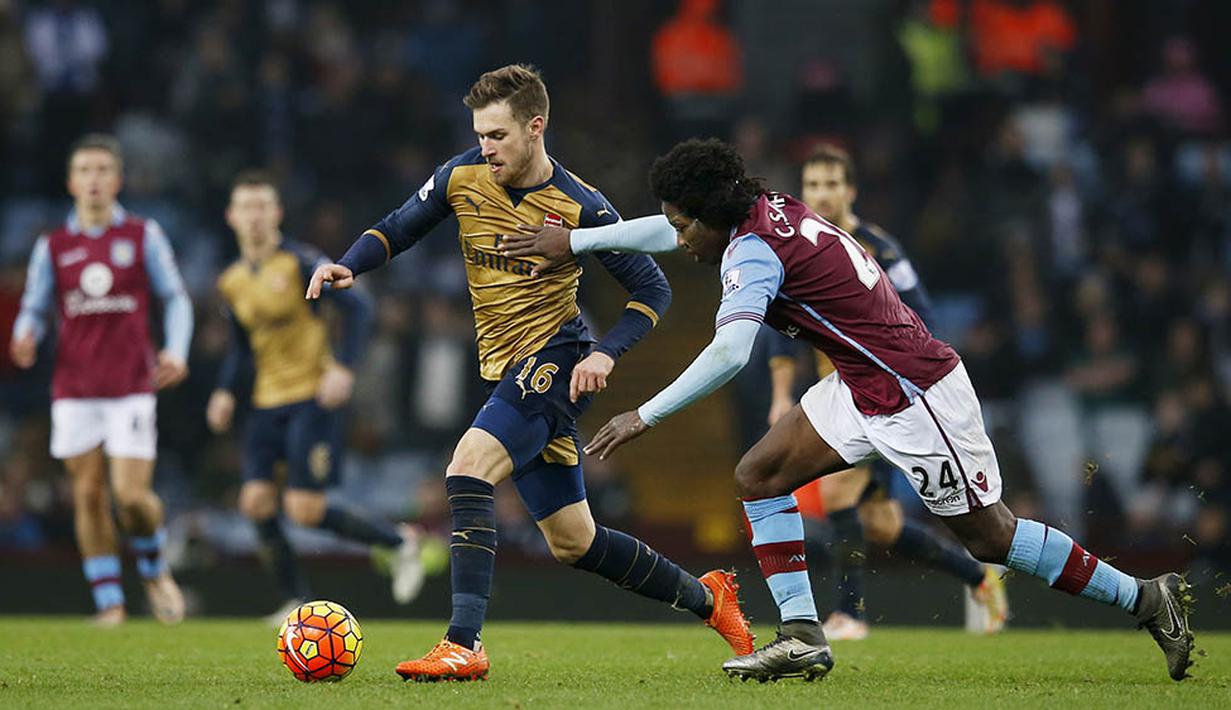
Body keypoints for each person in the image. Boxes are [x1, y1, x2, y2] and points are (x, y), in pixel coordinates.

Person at [498, 138, 1195, 683]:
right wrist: (579, 242)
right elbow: (663, 229)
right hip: (862, 384)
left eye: (686, 227)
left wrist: (642, 415)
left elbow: (730, 352)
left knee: (989, 538)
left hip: (914, 395)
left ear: (712, 217)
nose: (680, 241)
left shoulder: (751, 253)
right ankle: (802, 635)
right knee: (760, 473)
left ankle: (1144, 598)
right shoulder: (758, 207)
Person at [305, 65, 752, 682]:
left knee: (467, 468)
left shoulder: (582, 205)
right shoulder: (461, 177)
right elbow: (399, 226)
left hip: (557, 358)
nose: (485, 148)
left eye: (497, 135)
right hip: (504, 369)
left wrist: (605, 353)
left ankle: (463, 644)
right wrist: (348, 265)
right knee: (575, 542)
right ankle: (710, 598)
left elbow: (651, 286)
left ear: (535, 127)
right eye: (480, 135)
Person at [767, 144, 1005, 640]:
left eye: (832, 183)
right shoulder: (799, 248)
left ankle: (849, 615)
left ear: (850, 190)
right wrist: (780, 394)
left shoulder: (881, 248)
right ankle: (978, 576)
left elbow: (922, 316)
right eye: (812, 185)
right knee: (878, 525)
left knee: (836, 492)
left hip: (885, 394)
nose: (822, 194)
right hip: (839, 397)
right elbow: (780, 328)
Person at [207, 170, 423, 623]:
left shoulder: (301, 262)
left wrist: (343, 367)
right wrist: (226, 391)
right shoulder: (231, 281)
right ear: (231, 216)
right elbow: (242, 347)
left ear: (277, 213)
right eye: (246, 208)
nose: (254, 217)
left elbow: (360, 307)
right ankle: (295, 598)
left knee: (304, 509)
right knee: (256, 503)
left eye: (262, 207)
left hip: (311, 396)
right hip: (266, 402)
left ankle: (401, 543)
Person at [10, 133, 192, 626]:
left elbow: (175, 297)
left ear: (118, 179)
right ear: (72, 182)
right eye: (85, 171)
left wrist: (176, 349)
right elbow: (34, 306)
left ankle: (155, 567)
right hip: (74, 389)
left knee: (130, 498)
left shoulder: (141, 235)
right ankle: (110, 602)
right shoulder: (54, 246)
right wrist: (25, 334)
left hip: (131, 386)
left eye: (103, 170)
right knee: (87, 495)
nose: (94, 179)